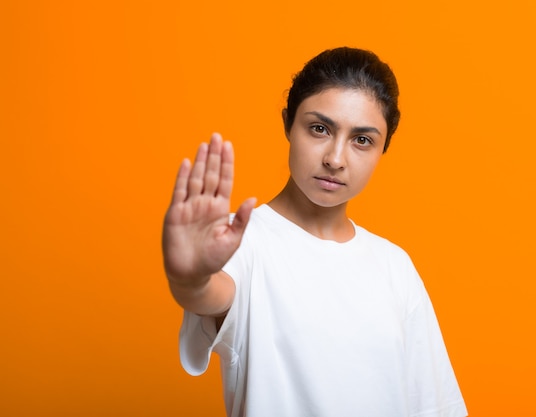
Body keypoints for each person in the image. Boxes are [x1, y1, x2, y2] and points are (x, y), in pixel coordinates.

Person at [162, 47, 467, 417]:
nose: (335, 159)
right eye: (319, 129)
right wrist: (190, 277)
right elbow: (210, 294)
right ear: (288, 124)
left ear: (383, 149)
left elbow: (433, 406)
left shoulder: (394, 266)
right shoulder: (242, 242)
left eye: (362, 140)